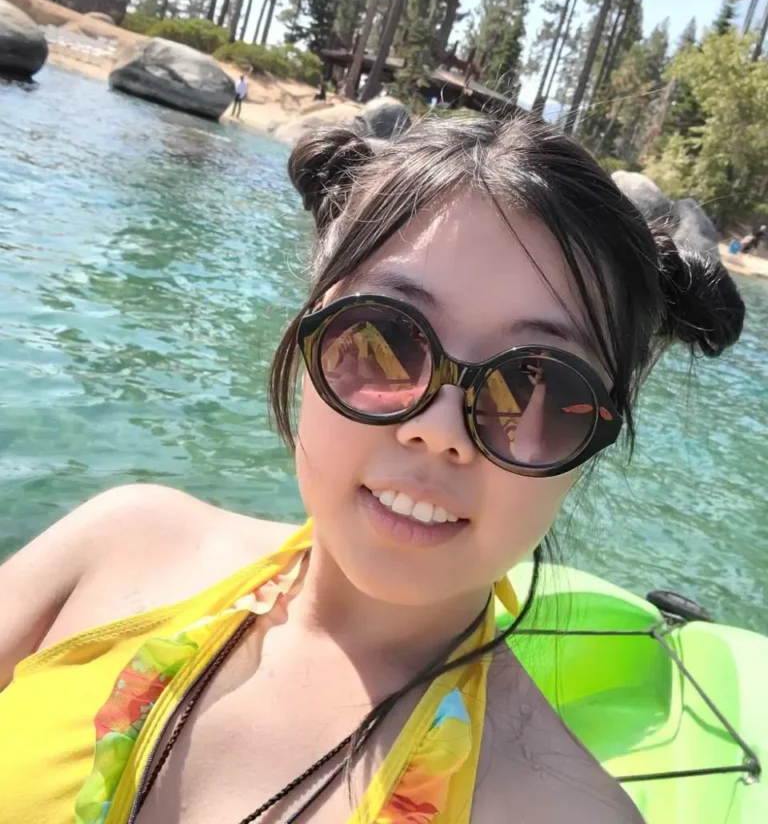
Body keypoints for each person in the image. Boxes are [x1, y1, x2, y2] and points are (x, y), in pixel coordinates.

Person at [0, 117, 744, 824]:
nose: (438, 431)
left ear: (593, 443)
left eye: (535, 385)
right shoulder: (114, 546)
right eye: (386, 339)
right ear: (308, 329)